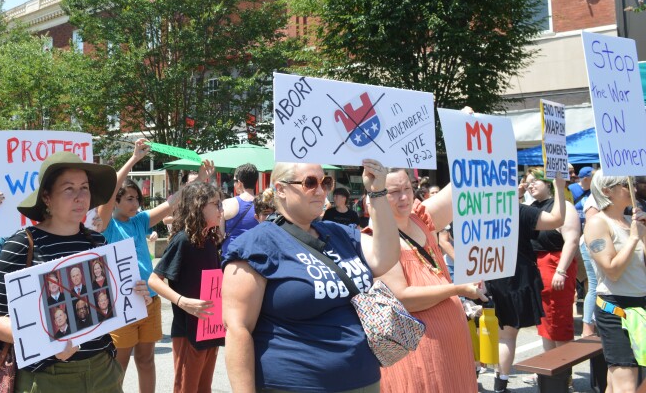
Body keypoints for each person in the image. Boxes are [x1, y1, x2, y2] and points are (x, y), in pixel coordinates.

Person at [222, 160, 399, 393]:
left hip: (363, 379)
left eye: (325, 182)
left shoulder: (338, 233)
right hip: (295, 382)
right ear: (281, 189)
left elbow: (385, 256)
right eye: (310, 183)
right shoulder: (258, 243)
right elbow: (237, 329)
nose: (320, 191)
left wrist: (378, 192)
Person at [0, 151, 151, 392]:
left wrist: (135, 296)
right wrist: (49, 341)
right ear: (47, 198)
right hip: (47, 378)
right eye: (69, 189)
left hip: (104, 370)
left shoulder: (97, 243)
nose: (80, 196)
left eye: (84, 187)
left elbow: (108, 307)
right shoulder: (22, 244)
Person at [373, 169, 486, 392]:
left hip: (452, 350)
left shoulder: (419, 218)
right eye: (394, 192)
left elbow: (466, 180)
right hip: (420, 354)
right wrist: (457, 288)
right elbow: (404, 299)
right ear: (377, 195)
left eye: (407, 188)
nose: (404, 197)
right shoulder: (377, 237)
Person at [95, 139, 187, 393]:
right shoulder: (107, 226)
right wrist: (133, 159)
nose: (136, 204)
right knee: (119, 365)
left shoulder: (139, 222)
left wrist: (198, 180)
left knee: (146, 360)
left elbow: (172, 203)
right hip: (123, 303)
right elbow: (110, 189)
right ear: (115, 201)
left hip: (150, 299)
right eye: (130, 199)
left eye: (137, 198)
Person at [487, 170, 568, 393]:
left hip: (492, 274)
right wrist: (560, 188)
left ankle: (499, 382)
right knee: (509, 335)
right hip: (516, 276)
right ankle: (501, 382)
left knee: (503, 334)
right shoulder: (519, 210)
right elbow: (557, 219)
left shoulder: (484, 210)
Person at [149, 181, 226, 393]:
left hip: (210, 329)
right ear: (199, 206)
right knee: (186, 388)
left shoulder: (210, 240)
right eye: (216, 204)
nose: (221, 210)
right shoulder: (183, 240)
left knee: (204, 388)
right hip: (188, 331)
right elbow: (154, 280)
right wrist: (183, 301)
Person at [584, 170, 646, 393]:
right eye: (625, 183)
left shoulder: (633, 220)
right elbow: (612, 271)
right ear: (607, 191)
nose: (633, 186)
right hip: (615, 308)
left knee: (623, 382)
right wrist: (634, 238)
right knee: (626, 383)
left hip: (640, 305)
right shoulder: (597, 223)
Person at [525, 169, 580, 365]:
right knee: (545, 321)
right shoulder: (530, 208)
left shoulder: (564, 207)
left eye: (535, 181)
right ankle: (550, 367)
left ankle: (563, 370)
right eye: (528, 181)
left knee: (559, 319)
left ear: (548, 183)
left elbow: (572, 240)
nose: (530, 185)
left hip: (556, 265)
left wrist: (561, 271)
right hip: (537, 268)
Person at [221, 163, 259, 255]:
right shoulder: (262, 205)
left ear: (240, 183)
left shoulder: (226, 204)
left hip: (231, 256)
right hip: (255, 256)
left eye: (234, 181)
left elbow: (220, 235)